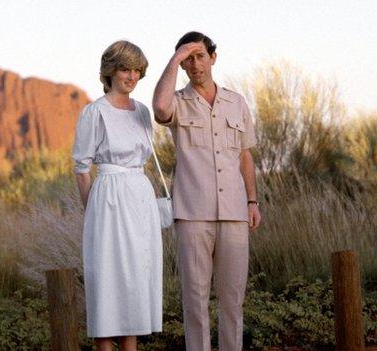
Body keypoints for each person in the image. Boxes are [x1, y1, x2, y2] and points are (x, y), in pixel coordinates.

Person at [152, 31, 262, 351]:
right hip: (192, 213)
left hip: (234, 212)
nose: (195, 64)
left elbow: (245, 155)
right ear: (183, 65)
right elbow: (159, 109)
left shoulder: (236, 102)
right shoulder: (178, 102)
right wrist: (174, 59)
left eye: (200, 56)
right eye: (188, 59)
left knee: (232, 300)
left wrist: (252, 201)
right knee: (195, 301)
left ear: (213, 58)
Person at [72, 40, 162, 351]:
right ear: (110, 70)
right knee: (109, 281)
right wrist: (92, 213)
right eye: (126, 68)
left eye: (138, 70)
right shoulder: (94, 112)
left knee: (136, 280)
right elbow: (81, 168)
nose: (132, 76)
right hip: (108, 199)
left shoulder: (143, 111)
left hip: (140, 195)